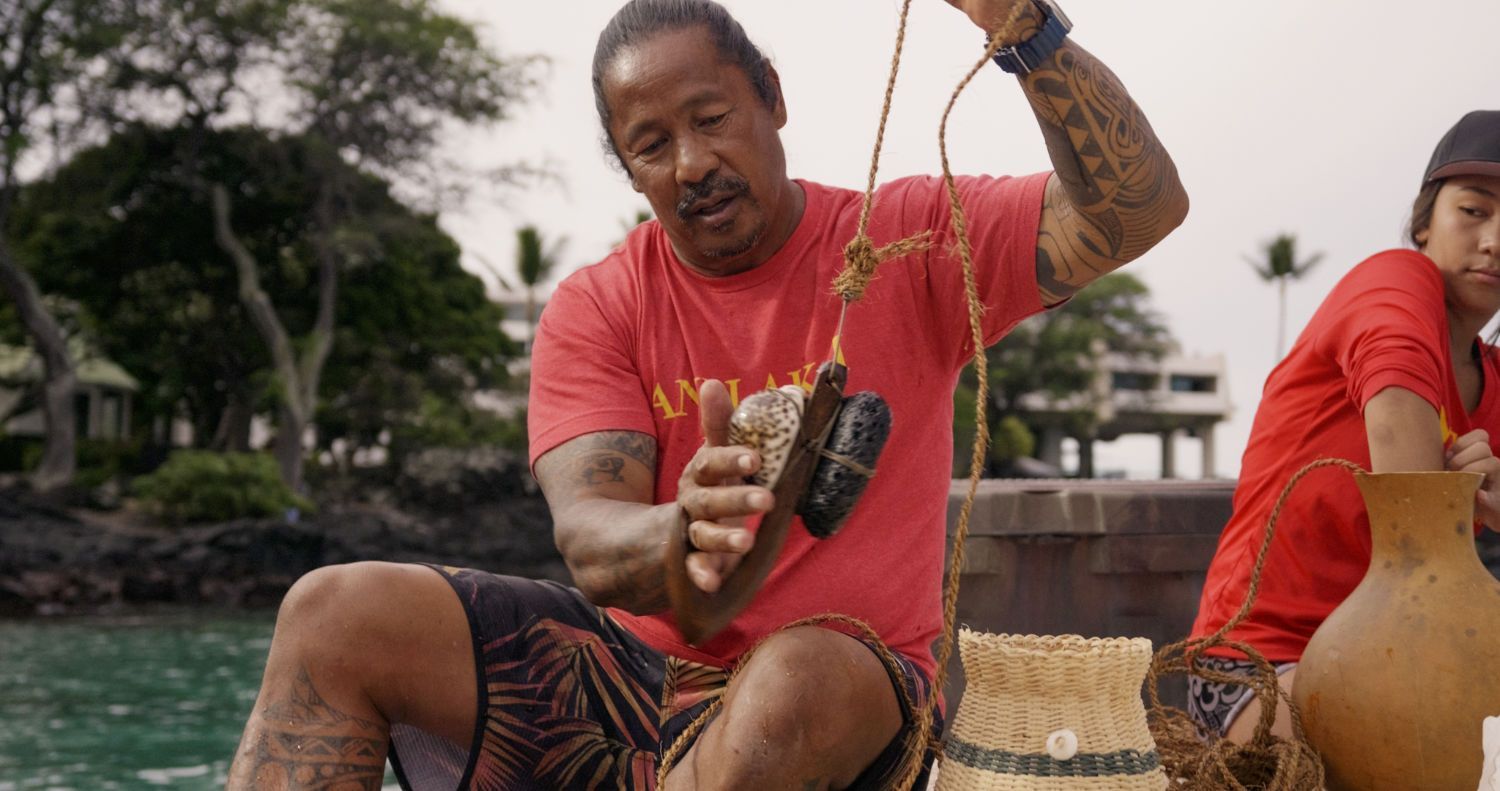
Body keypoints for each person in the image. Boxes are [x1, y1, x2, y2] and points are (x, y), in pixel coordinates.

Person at [225, 1, 1187, 788]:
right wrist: (685, 523)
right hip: (633, 680)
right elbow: (591, 538)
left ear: (770, 97)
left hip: (846, 685)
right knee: (331, 610)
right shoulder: (598, 303)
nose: (690, 163)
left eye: (710, 118)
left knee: (787, 685)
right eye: (650, 144)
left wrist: (1027, 31)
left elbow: (1137, 208)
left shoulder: (906, 240)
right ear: (628, 166)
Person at [1187, 110, 1500, 744]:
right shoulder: (1393, 280)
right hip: (1256, 670)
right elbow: (1398, 414)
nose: (1496, 241)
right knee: (1419, 735)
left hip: (1414, 665)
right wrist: (1444, 503)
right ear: (1423, 223)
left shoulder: (1494, 379)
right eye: (1473, 211)